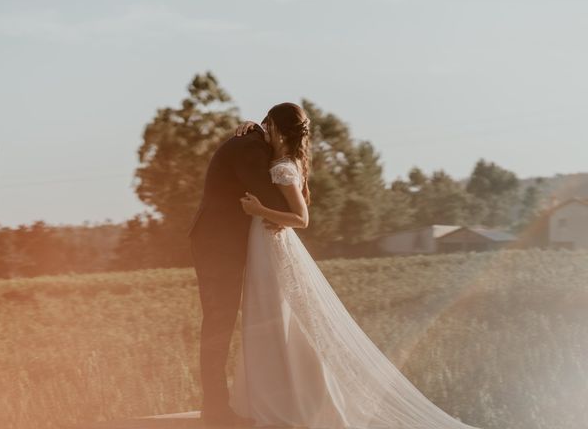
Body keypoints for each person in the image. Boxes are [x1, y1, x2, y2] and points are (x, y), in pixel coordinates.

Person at [225, 102, 483, 429]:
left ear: (278, 129)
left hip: (272, 244)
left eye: (267, 124)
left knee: (279, 319)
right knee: (270, 318)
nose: (263, 130)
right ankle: (274, 397)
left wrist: (261, 210)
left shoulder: (284, 168)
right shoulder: (282, 161)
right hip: (264, 244)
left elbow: (301, 219)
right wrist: (250, 125)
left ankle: (299, 400)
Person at [188, 105, 290, 427]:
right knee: (219, 325)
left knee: (222, 324)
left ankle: (219, 407)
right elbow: (271, 199)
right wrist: (293, 174)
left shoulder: (254, 142)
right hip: (218, 246)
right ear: (272, 127)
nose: (285, 144)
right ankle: (216, 411)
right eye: (284, 136)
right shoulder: (250, 146)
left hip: (222, 243)